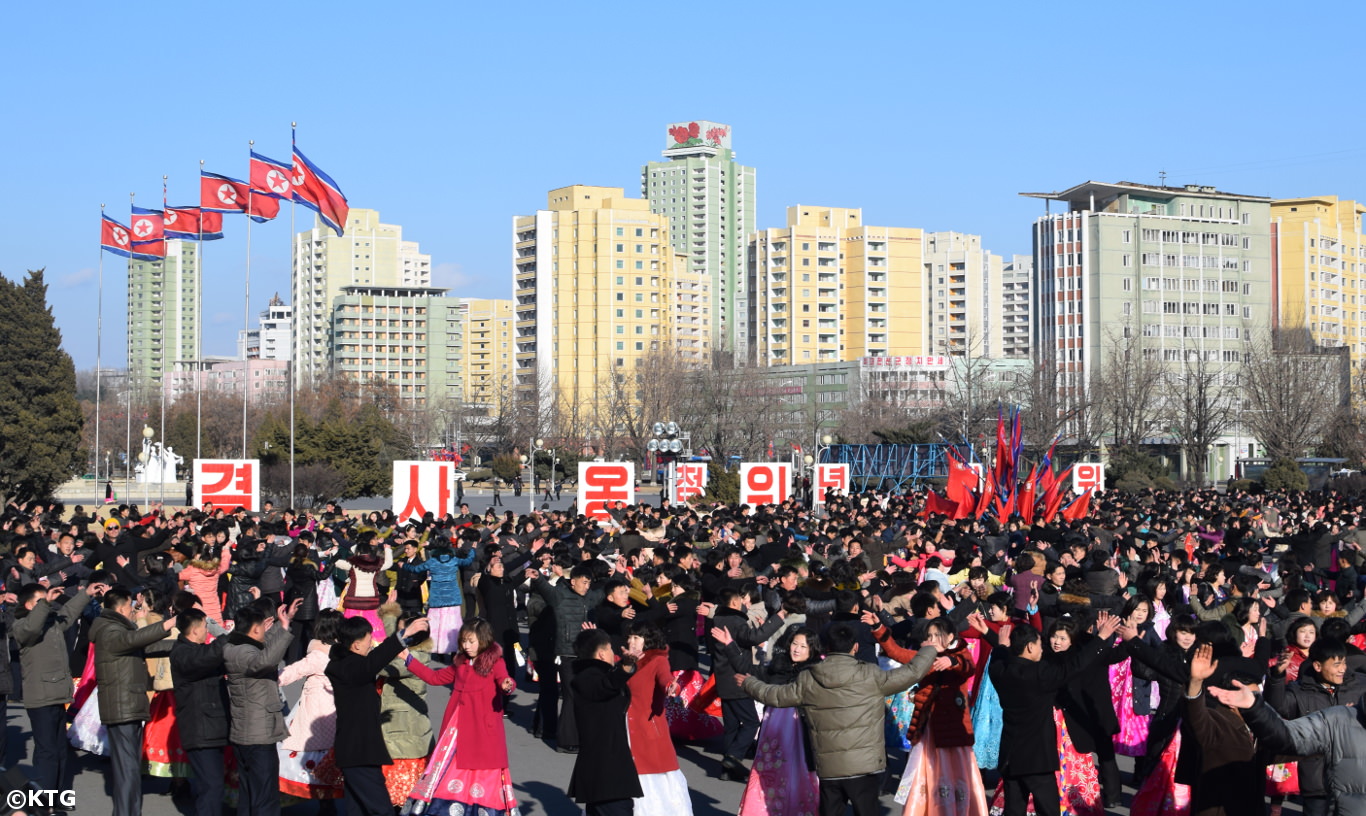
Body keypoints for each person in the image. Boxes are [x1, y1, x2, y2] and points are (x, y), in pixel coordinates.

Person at [738, 621, 940, 816]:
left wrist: (749, 683)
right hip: (865, 765)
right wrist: (929, 649)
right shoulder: (871, 674)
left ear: (826, 646)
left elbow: (775, 696)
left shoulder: (809, 677)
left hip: (828, 766)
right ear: (856, 647)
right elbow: (913, 672)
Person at [989, 612, 1123, 816]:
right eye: (1039, 644)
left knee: (1014, 809)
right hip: (1037, 759)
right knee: (1049, 809)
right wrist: (1101, 638)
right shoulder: (1040, 675)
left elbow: (998, 656)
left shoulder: (999, 671)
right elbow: (1076, 665)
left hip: (1010, 755)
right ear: (1030, 647)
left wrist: (1001, 645)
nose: (1043, 647)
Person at [873, 615, 989, 816]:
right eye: (930, 635)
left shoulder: (960, 653)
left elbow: (967, 666)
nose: (933, 639)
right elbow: (896, 652)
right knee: (925, 772)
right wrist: (878, 628)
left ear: (950, 636)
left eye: (938, 635)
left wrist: (950, 660)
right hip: (928, 729)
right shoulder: (923, 656)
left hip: (953, 731)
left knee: (957, 776)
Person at [404, 617, 520, 816]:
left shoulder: (495, 661)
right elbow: (434, 678)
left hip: (483, 729)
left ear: (483, 640)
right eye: (464, 641)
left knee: (482, 772)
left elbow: (504, 679)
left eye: (471, 641)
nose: (466, 646)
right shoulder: (461, 662)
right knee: (452, 767)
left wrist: (507, 685)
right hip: (457, 727)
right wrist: (408, 659)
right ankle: (450, 809)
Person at [326, 613, 430, 816]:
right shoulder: (350, 666)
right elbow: (373, 661)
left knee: (358, 809)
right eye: (368, 640)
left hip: (356, 753)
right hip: (359, 753)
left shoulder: (347, 665)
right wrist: (403, 635)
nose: (371, 643)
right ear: (355, 645)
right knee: (382, 809)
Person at [89, 586, 176, 816]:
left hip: (130, 705)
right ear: (119, 608)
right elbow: (135, 638)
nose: (134, 610)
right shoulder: (109, 630)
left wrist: (182, 646)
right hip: (122, 707)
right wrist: (167, 624)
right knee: (127, 771)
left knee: (129, 769)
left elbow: (147, 645)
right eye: (130, 606)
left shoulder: (116, 629)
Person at [15, 581, 103, 808]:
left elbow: (68, 613)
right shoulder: (21, 626)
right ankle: (41, 801)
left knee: (60, 751)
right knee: (47, 752)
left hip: (58, 695)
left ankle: (58, 797)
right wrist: (46, 603)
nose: (47, 603)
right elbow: (32, 628)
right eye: (40, 601)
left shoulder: (51, 623)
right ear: (28, 605)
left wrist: (85, 594)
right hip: (40, 699)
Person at [728, 626, 821, 816]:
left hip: (801, 731)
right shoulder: (779, 665)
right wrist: (730, 646)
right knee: (768, 770)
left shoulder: (815, 673)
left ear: (812, 650)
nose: (796, 649)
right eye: (794, 644)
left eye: (803, 646)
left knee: (798, 772)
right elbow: (751, 671)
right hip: (773, 728)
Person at [224, 599, 300, 816]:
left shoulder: (236, 647)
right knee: (265, 796)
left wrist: (282, 623)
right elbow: (264, 660)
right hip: (257, 735)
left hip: (247, 733)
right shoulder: (242, 653)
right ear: (255, 628)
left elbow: (263, 650)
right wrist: (283, 628)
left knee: (250, 793)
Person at [711, 586, 788, 780]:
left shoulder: (718, 619)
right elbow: (754, 638)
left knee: (731, 725)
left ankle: (726, 771)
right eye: (743, 601)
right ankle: (733, 758)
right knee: (752, 722)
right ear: (735, 603)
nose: (746, 604)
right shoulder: (736, 621)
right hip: (737, 678)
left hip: (722, 677)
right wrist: (777, 618)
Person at [568, 628, 642, 816]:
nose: (613, 653)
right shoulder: (587, 678)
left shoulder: (596, 674)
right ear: (601, 653)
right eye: (610, 649)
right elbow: (605, 687)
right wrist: (625, 667)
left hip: (606, 770)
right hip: (605, 771)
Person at [276, 609, 345, 804]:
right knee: (331, 753)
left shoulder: (317, 654)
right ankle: (329, 799)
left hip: (315, 711)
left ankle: (318, 796)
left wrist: (271, 675)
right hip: (339, 708)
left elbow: (294, 671)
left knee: (310, 751)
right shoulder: (345, 652)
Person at [624, 622, 691, 816]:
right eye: (630, 637)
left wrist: (673, 688)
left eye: (636, 637)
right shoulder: (625, 660)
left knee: (653, 780)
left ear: (648, 641)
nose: (631, 641)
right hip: (624, 727)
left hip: (648, 727)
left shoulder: (658, 660)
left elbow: (666, 679)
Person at [169, 607, 229, 816]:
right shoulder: (182, 653)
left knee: (214, 786)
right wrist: (227, 637)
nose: (207, 630)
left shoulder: (198, 650)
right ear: (194, 630)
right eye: (205, 626)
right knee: (211, 787)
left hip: (211, 728)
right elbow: (205, 657)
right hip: (200, 730)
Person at [400, 538, 477, 657]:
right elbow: (468, 561)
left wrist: (404, 565)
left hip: (437, 598)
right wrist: (472, 550)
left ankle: (438, 651)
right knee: (453, 626)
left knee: (436, 626)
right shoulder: (454, 560)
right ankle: (453, 651)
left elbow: (415, 569)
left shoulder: (432, 561)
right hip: (452, 598)